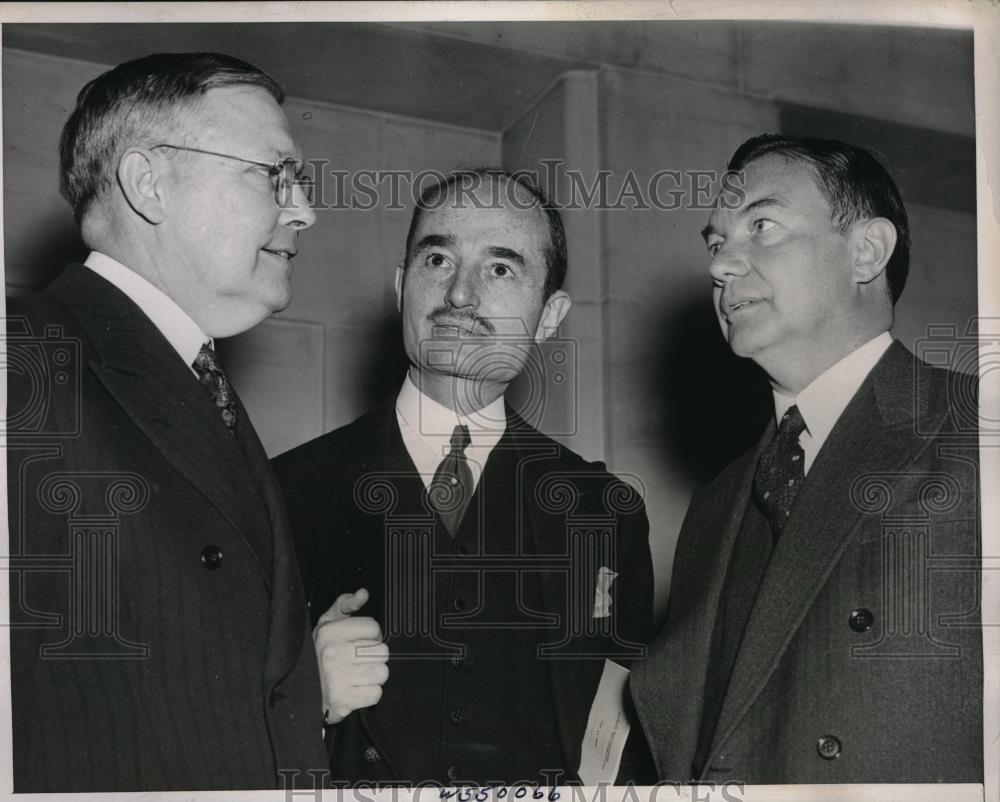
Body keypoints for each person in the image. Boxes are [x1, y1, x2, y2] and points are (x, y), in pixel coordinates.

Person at [6, 52, 327, 791]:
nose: (305, 208)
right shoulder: (23, 357)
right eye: (272, 173)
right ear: (149, 183)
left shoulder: (194, 378)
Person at [274, 170, 654, 786]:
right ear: (402, 287)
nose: (458, 295)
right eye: (437, 258)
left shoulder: (604, 512)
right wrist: (302, 699)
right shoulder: (283, 490)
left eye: (501, 269)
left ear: (549, 315)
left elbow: (622, 754)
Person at [630, 135, 982, 783]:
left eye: (762, 226)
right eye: (715, 243)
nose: (720, 267)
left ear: (867, 251)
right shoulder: (716, 504)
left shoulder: (975, 430)